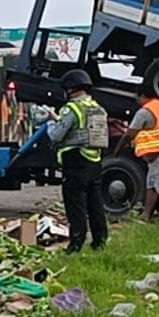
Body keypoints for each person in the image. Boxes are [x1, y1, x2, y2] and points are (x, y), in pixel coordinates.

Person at [47, 69, 109, 252]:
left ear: (70, 88)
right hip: (94, 160)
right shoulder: (98, 108)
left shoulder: (72, 108)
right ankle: (100, 241)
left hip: (75, 162)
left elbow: (56, 136)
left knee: (76, 205)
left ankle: (76, 244)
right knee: (95, 204)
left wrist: (51, 122)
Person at [118, 88, 159, 221]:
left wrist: (117, 150)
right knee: (152, 184)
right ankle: (145, 215)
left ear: (142, 95)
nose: (137, 101)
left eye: (137, 98)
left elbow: (129, 134)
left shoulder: (145, 112)